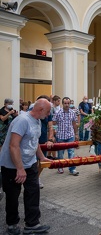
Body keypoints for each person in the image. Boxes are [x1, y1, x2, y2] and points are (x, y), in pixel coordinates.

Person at [0, 98, 52, 234]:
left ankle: (32, 224)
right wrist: (20, 169)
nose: (48, 115)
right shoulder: (22, 120)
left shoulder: (38, 121)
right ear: (40, 110)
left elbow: (34, 142)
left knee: (33, 192)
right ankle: (12, 225)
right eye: (47, 112)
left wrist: (42, 157)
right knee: (12, 195)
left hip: (30, 163)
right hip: (12, 166)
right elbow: (13, 145)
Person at [53, 97, 79, 176]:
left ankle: (72, 169)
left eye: (68, 103)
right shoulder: (58, 112)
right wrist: (54, 133)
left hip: (70, 135)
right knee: (60, 153)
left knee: (71, 153)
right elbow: (54, 123)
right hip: (60, 136)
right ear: (62, 103)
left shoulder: (72, 112)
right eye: (65, 103)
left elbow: (74, 124)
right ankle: (60, 166)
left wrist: (76, 134)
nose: (67, 105)